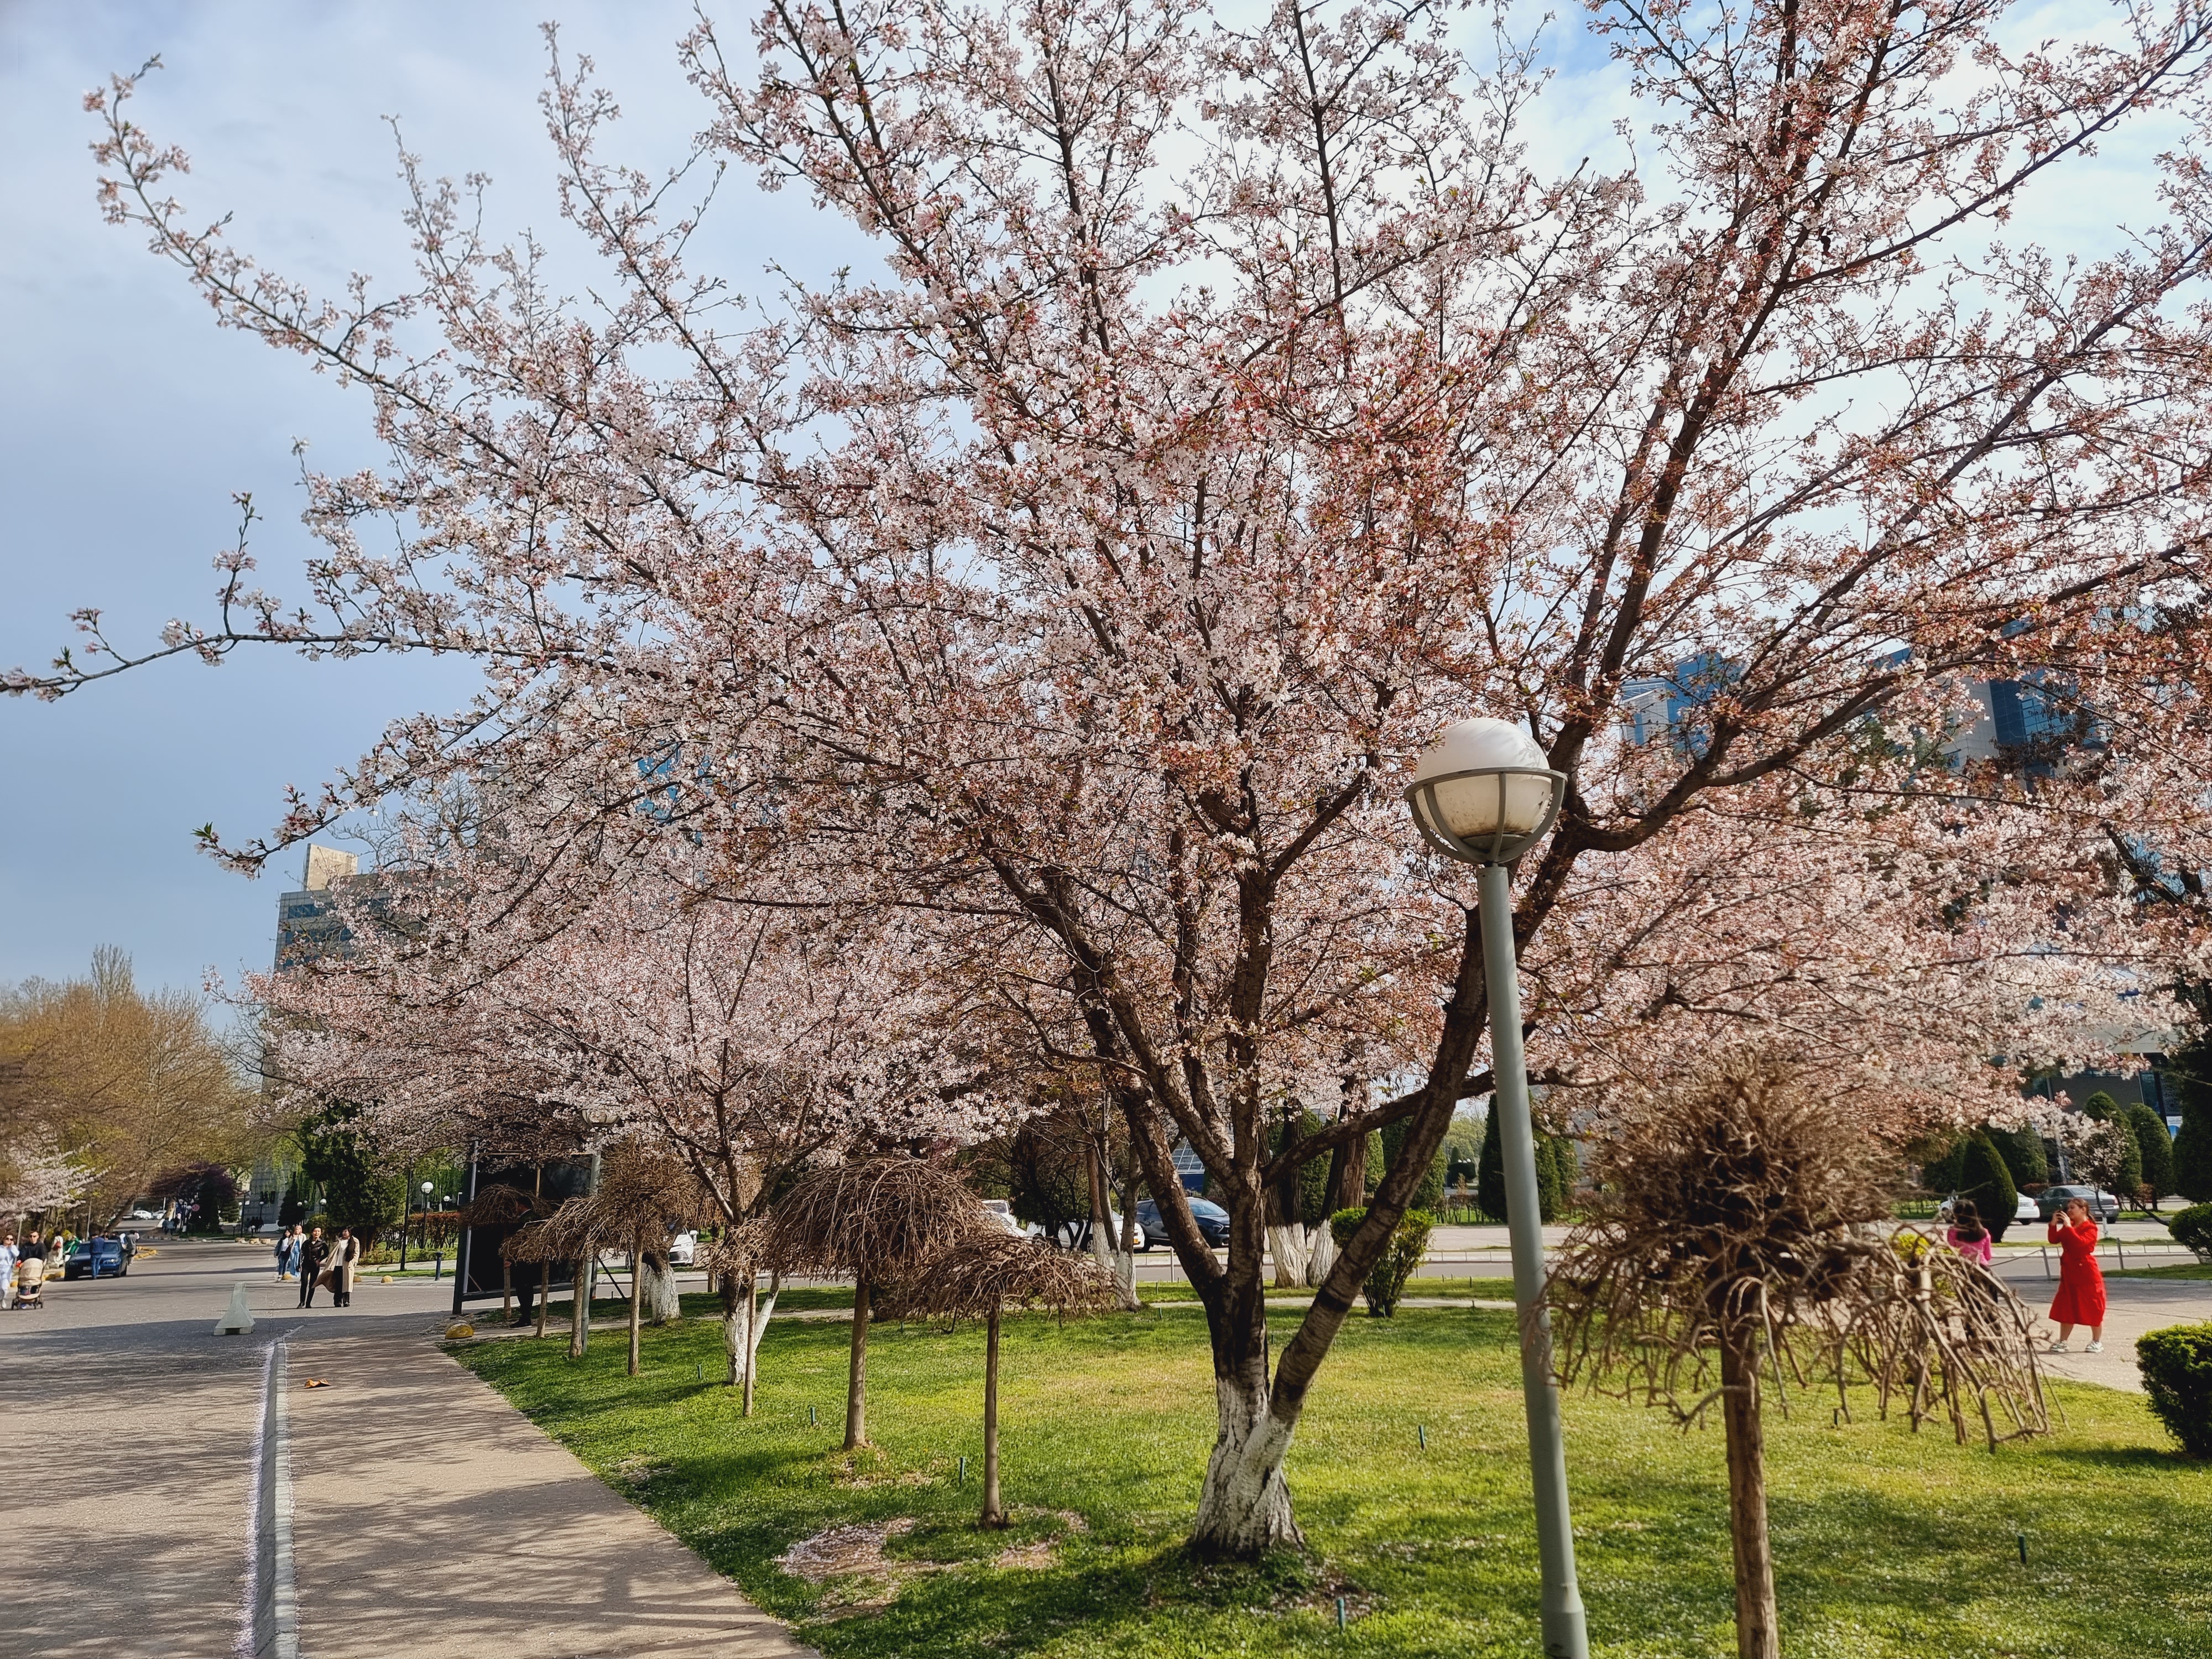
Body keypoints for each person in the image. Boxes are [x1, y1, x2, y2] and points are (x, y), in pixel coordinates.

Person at [2047, 1196, 2106, 1353]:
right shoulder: (2071, 1225)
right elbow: (2054, 1239)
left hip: (2086, 1273)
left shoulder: (2090, 1228)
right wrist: (2053, 1224)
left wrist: (2068, 1227)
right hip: (2069, 1272)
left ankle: (2096, 1341)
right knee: (2067, 1307)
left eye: (2073, 1208)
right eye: (2068, 1208)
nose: (2069, 1211)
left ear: (2083, 1210)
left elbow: (2080, 1244)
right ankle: (2063, 1341)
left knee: (2093, 1306)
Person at [1945, 1199, 1994, 1265]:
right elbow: (1988, 1256)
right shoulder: (1984, 1232)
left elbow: (1951, 1253)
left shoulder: (1953, 1231)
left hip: (1962, 1266)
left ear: (1956, 1215)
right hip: (1981, 1266)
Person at [298, 1226, 328, 1308]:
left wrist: (319, 1260)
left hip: (315, 1265)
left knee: (312, 1284)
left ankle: (308, 1303)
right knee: (304, 1283)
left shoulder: (322, 1243)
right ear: (312, 1232)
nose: (317, 1233)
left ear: (321, 1233)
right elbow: (301, 1253)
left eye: (318, 1231)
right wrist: (299, 1264)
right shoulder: (306, 1243)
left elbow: (326, 1253)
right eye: (315, 1231)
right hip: (306, 1265)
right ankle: (302, 1302)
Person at [330, 1227, 361, 1308]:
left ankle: (346, 1301)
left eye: (346, 1231)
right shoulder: (339, 1241)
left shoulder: (354, 1241)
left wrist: (354, 1261)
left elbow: (356, 1252)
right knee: (338, 1284)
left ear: (350, 1232)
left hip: (348, 1265)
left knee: (347, 1283)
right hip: (338, 1264)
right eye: (343, 1231)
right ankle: (337, 1301)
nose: (344, 1233)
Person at [0, 1230, 17, 1310]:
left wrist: (12, 1247)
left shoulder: (12, 1249)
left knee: (5, 1289)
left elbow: (16, 1254)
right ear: (4, 1239)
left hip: (7, 1272)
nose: (9, 1241)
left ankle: (2, 1299)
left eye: (11, 1239)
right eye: (7, 1239)